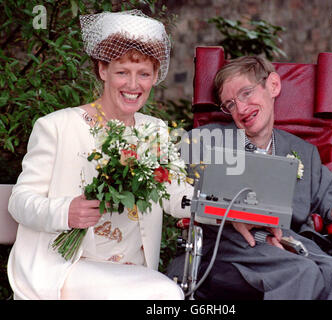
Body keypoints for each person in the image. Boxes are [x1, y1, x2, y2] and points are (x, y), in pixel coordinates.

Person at [7, 10, 193, 300]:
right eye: (122, 72)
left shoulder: (154, 131)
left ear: (155, 76)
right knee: (165, 295)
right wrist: (66, 211)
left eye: (144, 74)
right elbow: (20, 202)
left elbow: (176, 192)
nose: (133, 85)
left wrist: (226, 210)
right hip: (66, 268)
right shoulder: (57, 126)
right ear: (102, 70)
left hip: (132, 270)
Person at [182, 55, 332, 300]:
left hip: (288, 243)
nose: (241, 109)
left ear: (273, 85)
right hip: (230, 248)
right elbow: (179, 186)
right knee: (303, 273)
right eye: (230, 104)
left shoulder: (304, 151)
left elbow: (324, 197)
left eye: (246, 93)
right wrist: (233, 213)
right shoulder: (206, 139)